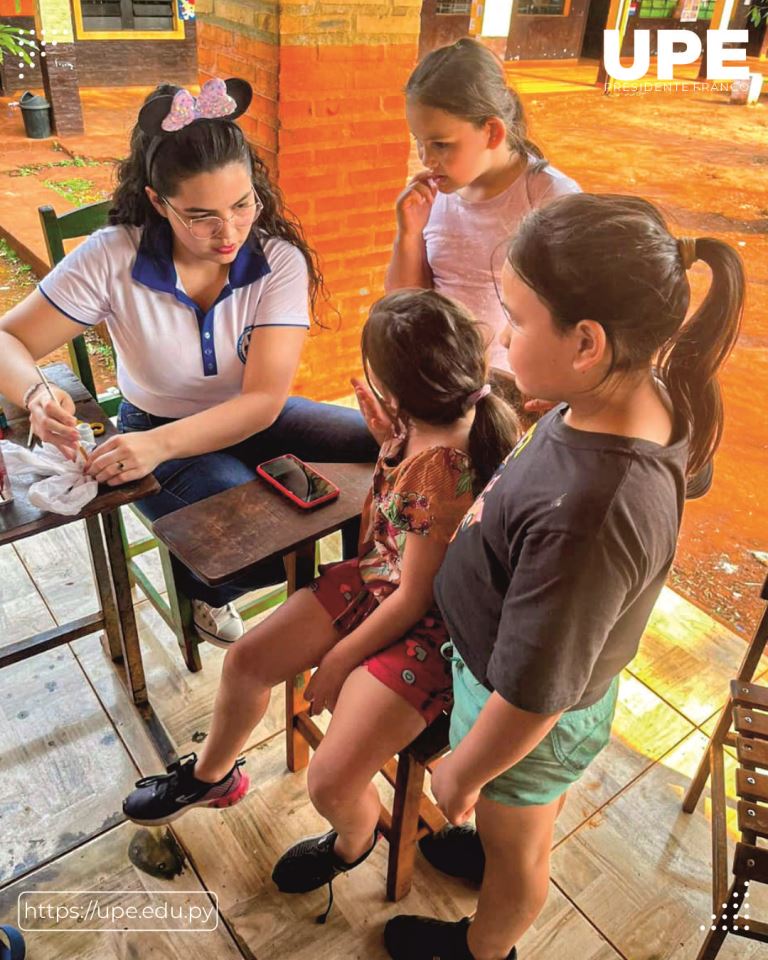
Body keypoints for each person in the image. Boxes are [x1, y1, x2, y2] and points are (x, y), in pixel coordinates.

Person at [382, 193, 744, 960]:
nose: (503, 337)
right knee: (508, 821)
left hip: (522, 716)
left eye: (514, 318)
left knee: (522, 854)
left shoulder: (595, 513)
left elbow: (536, 697)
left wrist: (462, 775)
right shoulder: (631, 397)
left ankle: (486, 948)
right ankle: (491, 835)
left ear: (586, 342)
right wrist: (561, 423)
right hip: (512, 671)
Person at [121, 290, 519, 918]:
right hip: (377, 583)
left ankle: (352, 842)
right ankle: (212, 777)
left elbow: (417, 595)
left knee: (330, 781)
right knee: (248, 660)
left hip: (429, 629)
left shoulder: (440, 468)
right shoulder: (433, 429)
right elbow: (392, 551)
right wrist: (390, 438)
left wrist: (339, 660)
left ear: (393, 385)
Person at [0, 78, 377, 645]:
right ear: (158, 201)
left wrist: (158, 450)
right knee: (258, 541)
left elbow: (262, 402)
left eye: (242, 203)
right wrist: (34, 393)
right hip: (156, 426)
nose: (229, 232)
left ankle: (367, 589)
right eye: (201, 216)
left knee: (382, 443)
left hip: (251, 420)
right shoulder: (115, 255)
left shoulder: (277, 261)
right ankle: (212, 589)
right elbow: (9, 340)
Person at [386, 37, 579, 370]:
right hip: (440, 378)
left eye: (441, 145)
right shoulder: (435, 199)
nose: (426, 159)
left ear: (492, 132)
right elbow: (406, 306)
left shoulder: (552, 200)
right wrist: (409, 235)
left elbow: (576, 311)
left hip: (518, 384)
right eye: (419, 142)